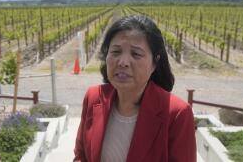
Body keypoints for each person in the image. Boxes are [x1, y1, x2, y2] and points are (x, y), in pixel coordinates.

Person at [73, 15, 196, 162]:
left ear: (154, 63)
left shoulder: (177, 114)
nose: (123, 62)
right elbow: (81, 155)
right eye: (116, 52)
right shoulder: (93, 97)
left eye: (136, 54)